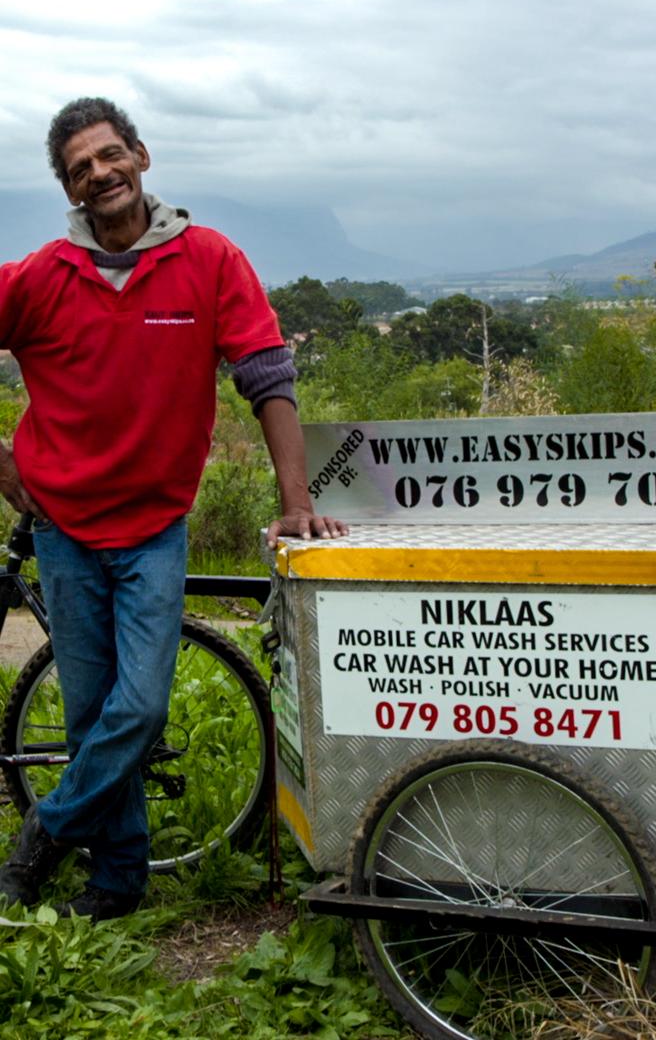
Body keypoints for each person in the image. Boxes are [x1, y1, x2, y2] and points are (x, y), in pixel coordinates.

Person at [0, 97, 347, 920]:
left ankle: (42, 834)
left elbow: (266, 375)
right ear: (72, 191)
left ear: (142, 157)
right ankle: (115, 885)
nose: (100, 172)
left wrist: (296, 501)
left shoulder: (208, 260)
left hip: (154, 525)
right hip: (65, 526)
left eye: (110, 154)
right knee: (89, 715)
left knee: (142, 705)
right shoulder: (45, 277)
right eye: (81, 168)